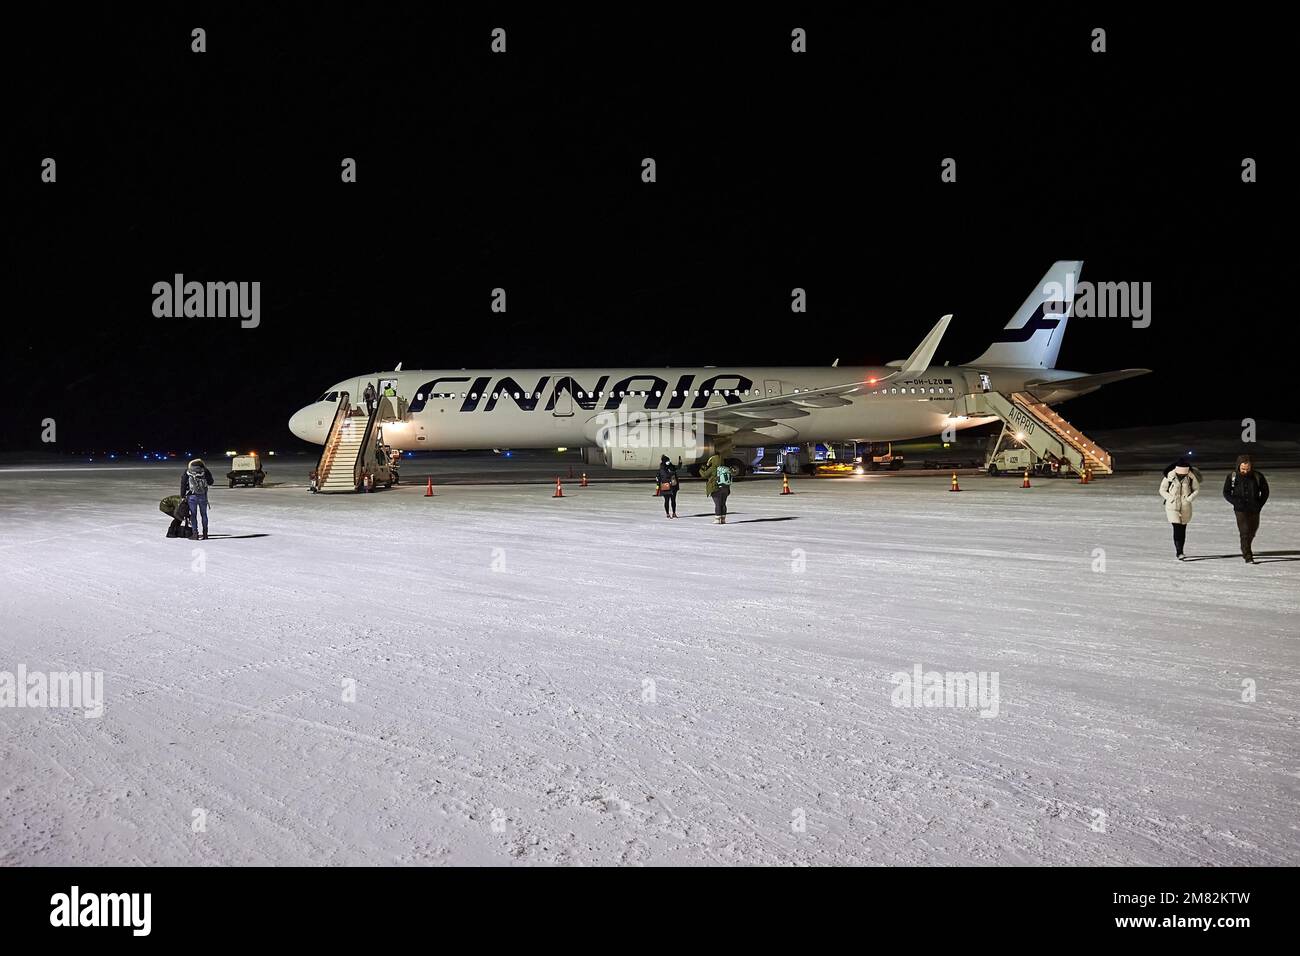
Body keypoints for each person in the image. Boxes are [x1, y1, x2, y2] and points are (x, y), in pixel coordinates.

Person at [1223, 454, 1269, 563]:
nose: (1245, 471)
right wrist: (1236, 502)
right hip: (1240, 510)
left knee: (1252, 531)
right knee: (1244, 531)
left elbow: (1265, 492)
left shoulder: (1258, 476)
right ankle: (1248, 555)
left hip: (1254, 509)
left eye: (1247, 468)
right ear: (1238, 466)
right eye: (1243, 469)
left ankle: (1245, 547)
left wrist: (1259, 504)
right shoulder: (1232, 477)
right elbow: (1226, 492)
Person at [1158, 458, 1200, 560]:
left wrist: (1189, 499)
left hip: (1185, 507)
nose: (1182, 475)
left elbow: (1196, 489)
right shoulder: (1170, 476)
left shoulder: (1190, 477)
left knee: (1182, 529)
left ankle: (1181, 549)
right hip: (1172, 506)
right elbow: (1162, 490)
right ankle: (1179, 552)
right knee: (1177, 528)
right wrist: (1170, 498)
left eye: (1183, 474)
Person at [182, 458, 215, 540]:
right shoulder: (205, 470)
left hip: (191, 496)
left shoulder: (188, 471)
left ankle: (195, 534)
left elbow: (183, 483)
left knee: (193, 515)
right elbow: (211, 482)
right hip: (202, 496)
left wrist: (182, 496)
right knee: (204, 515)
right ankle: (205, 534)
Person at [699, 452, 733, 524]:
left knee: (717, 504)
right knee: (723, 504)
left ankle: (717, 519)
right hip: (725, 488)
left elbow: (704, 475)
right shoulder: (725, 468)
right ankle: (723, 519)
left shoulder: (713, 468)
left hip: (716, 488)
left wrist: (701, 470)